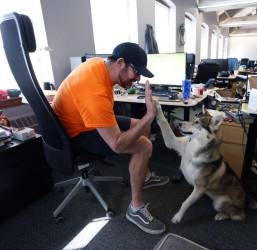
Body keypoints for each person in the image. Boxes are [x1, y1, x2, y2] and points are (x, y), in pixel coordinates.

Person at [52, 42, 169, 235]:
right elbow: (117, 144)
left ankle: (144, 176)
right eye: (136, 72)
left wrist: (145, 121)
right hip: (76, 134)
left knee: (139, 125)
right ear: (120, 62)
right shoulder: (94, 92)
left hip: (83, 119)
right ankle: (135, 209)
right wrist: (149, 115)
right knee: (144, 146)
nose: (137, 78)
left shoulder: (98, 64)